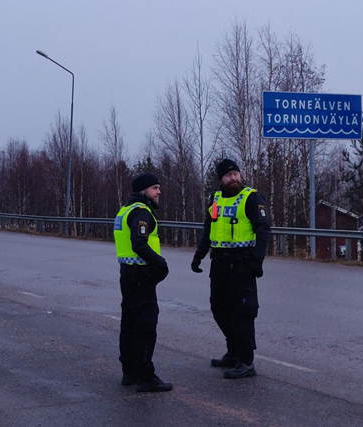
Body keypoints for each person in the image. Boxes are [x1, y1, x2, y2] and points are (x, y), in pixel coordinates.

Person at [191, 159, 271, 379]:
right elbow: (209, 230)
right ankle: (233, 351)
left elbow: (263, 230)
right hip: (219, 263)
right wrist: (199, 256)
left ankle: (246, 361)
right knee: (219, 309)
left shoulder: (251, 197)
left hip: (242, 264)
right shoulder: (215, 199)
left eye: (236, 173)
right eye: (228, 175)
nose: (233, 178)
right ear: (221, 179)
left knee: (242, 313)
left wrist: (257, 261)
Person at [113, 173, 172, 392]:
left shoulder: (124, 210)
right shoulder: (141, 212)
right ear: (143, 190)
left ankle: (129, 372)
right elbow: (139, 243)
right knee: (146, 326)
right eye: (155, 188)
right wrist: (160, 263)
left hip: (128, 274)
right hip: (141, 276)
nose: (159, 192)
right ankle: (145, 376)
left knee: (129, 323)